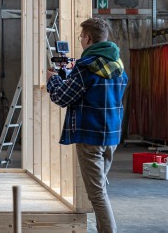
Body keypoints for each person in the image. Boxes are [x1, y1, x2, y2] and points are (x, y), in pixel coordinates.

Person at [46, 17, 128, 233]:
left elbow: (62, 97)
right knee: (100, 186)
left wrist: (53, 79)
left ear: (88, 38)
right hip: (111, 135)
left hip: (90, 136)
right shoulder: (118, 65)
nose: (80, 40)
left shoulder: (86, 68)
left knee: (97, 194)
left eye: (81, 36)